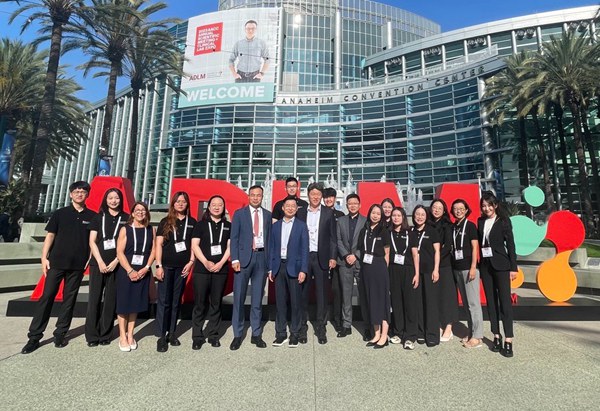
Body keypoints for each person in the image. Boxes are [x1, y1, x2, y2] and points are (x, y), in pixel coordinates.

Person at [21, 181, 97, 354]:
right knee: (47, 297)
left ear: (87, 195)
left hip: (77, 265)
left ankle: (60, 334)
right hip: (56, 263)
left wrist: (89, 258)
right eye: (76, 191)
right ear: (71, 194)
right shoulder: (60, 214)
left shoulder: (92, 216)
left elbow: (93, 240)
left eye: (83, 192)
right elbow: (50, 236)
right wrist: (44, 257)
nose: (79, 194)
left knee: (69, 300)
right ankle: (34, 337)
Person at [229, 185, 272, 350]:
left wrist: (269, 265)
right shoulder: (239, 214)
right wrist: (234, 259)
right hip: (243, 259)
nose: (255, 198)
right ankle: (237, 334)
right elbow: (234, 237)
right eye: (253, 195)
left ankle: (256, 333)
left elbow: (269, 240)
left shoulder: (267, 215)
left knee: (257, 299)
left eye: (258, 195)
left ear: (262, 197)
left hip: (261, 258)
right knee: (239, 298)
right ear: (248, 196)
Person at [85, 188, 128, 347]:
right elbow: (92, 241)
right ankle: (92, 336)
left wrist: (116, 261)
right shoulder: (98, 217)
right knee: (94, 299)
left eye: (116, 198)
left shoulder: (126, 218)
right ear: (106, 200)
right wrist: (100, 262)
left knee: (110, 300)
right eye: (110, 198)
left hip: (117, 265)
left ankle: (105, 334)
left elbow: (127, 243)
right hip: (98, 264)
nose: (113, 201)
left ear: (120, 200)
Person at [154, 192, 196, 352]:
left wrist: (191, 262)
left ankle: (172, 333)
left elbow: (194, 245)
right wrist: (158, 266)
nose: (180, 204)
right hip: (166, 266)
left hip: (182, 268)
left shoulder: (192, 222)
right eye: (177, 201)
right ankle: (161, 336)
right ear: (173, 203)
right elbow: (158, 244)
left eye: (183, 201)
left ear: (187, 204)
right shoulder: (165, 221)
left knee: (176, 300)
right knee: (164, 301)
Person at [478, 191, 518, 358]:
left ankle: (508, 339)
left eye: (489, 205)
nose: (486, 208)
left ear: (495, 205)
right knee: (491, 302)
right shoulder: (480, 221)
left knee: (504, 302)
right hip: (486, 266)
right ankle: (496, 335)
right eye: (484, 206)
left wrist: (513, 267)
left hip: (501, 265)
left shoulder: (503, 221)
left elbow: (511, 245)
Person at [190, 195, 231, 350]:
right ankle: (197, 336)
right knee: (200, 303)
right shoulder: (200, 225)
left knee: (216, 303)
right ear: (209, 207)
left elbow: (230, 246)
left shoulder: (229, 225)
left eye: (220, 204)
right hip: (202, 270)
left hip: (221, 270)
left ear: (224, 207)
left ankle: (213, 335)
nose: (216, 207)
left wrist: (221, 263)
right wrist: (206, 262)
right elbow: (195, 245)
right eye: (214, 204)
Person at [268, 198, 309, 348]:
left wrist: (303, 269)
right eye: (288, 206)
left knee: (295, 303)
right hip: (279, 267)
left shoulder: (301, 226)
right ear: (283, 208)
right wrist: (270, 268)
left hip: (295, 268)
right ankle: (280, 334)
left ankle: (295, 334)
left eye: (293, 206)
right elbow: (271, 248)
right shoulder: (275, 226)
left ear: (297, 209)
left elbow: (305, 249)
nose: (290, 208)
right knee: (280, 302)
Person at [115, 202, 156, 352]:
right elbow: (120, 252)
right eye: (137, 210)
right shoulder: (125, 229)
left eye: (143, 210)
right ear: (132, 213)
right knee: (123, 303)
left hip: (143, 271)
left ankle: (130, 334)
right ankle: (122, 336)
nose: (140, 212)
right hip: (126, 271)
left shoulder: (151, 229)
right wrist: (130, 270)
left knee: (135, 303)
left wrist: (146, 267)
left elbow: (153, 250)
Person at [300, 182, 337, 345]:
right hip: (304, 257)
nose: (315, 197)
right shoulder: (301, 212)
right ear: (308, 195)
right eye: (312, 194)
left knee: (322, 295)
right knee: (303, 293)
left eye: (318, 194)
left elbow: (333, 238)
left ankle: (321, 328)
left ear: (321, 196)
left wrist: (333, 257)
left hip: (322, 257)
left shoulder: (328, 213)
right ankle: (302, 327)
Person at [450, 199, 484, 349]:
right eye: (455, 209)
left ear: (466, 210)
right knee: (466, 304)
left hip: (469, 269)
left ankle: (477, 336)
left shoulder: (470, 226)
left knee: (473, 303)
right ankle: (471, 331)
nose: (458, 211)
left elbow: (475, 247)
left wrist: (473, 267)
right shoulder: (454, 227)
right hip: (457, 269)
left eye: (461, 208)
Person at [336, 194, 369, 339]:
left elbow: (367, 241)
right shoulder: (340, 221)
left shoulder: (366, 221)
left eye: (355, 203)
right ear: (347, 205)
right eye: (350, 203)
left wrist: (355, 255)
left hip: (360, 262)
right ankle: (346, 325)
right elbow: (338, 240)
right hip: (344, 262)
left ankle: (367, 326)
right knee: (346, 294)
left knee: (364, 295)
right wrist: (346, 255)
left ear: (360, 205)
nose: (353, 205)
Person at [357, 204, 390, 349]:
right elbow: (360, 249)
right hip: (366, 268)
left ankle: (384, 335)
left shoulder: (384, 231)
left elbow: (387, 253)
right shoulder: (364, 230)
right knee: (371, 300)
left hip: (379, 267)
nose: (375, 215)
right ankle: (376, 334)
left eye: (378, 213)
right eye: (373, 213)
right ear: (369, 213)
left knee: (381, 301)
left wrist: (384, 270)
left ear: (381, 216)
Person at [388, 207, 420, 350]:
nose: (396, 218)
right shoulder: (388, 233)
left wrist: (416, 274)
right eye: (394, 215)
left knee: (410, 304)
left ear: (403, 217)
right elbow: (386, 254)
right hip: (393, 270)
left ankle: (410, 336)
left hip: (408, 270)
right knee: (396, 302)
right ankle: (398, 332)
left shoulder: (410, 233)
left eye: (398, 215)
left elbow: (415, 255)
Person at [429, 199, 458, 342]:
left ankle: (449, 326)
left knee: (447, 296)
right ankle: (440, 323)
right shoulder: (427, 224)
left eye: (439, 208)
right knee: (436, 296)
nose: (436, 210)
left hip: (445, 265)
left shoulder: (447, 225)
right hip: (430, 266)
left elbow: (448, 246)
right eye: (434, 207)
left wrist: (436, 258)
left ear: (444, 210)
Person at [413, 205, 441, 347]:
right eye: (417, 214)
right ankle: (420, 332)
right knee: (418, 302)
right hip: (416, 272)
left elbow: (437, 252)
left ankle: (432, 334)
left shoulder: (432, 231)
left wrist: (436, 269)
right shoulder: (411, 231)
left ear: (426, 216)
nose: (419, 217)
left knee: (430, 303)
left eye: (422, 214)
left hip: (429, 271)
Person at [323, 187, 345, 333]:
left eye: (331, 197)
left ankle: (338, 320)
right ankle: (323, 319)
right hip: (323, 257)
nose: (329, 199)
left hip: (338, 258)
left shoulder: (340, 215)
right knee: (323, 289)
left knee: (337, 290)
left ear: (335, 198)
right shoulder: (320, 213)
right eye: (326, 197)